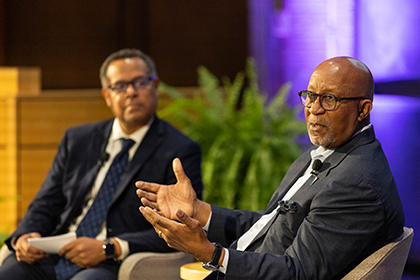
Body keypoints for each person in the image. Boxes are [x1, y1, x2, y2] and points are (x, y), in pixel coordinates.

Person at [136, 56, 405, 280]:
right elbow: (270, 226)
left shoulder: (357, 183)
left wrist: (211, 253)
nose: (313, 109)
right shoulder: (328, 154)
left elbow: (299, 273)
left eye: (329, 99)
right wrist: (200, 211)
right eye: (310, 96)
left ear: (363, 109)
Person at [0, 48, 203, 280]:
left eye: (140, 82)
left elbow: (183, 226)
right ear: (107, 95)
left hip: (111, 262)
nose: (131, 92)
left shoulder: (179, 150)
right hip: (59, 253)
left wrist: (111, 247)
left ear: (155, 86)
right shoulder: (78, 140)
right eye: (119, 86)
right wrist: (26, 236)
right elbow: (46, 203)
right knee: (9, 273)